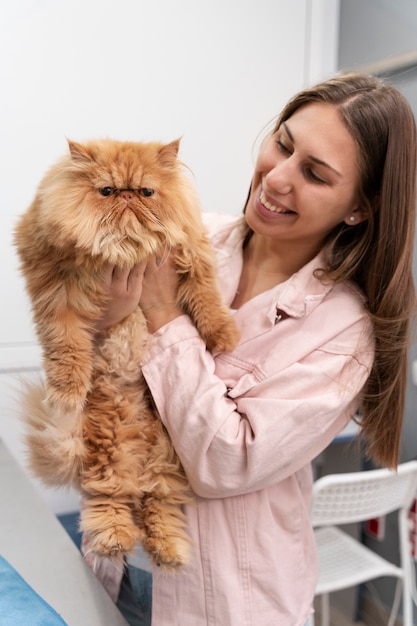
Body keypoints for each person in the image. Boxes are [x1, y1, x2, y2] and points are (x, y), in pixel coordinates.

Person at [89, 73, 417, 625]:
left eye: (314, 174)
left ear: (359, 208)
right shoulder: (193, 238)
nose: (277, 177)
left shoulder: (344, 333)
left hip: (221, 597)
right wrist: (105, 324)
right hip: (119, 560)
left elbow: (227, 461)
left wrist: (166, 316)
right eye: (284, 144)